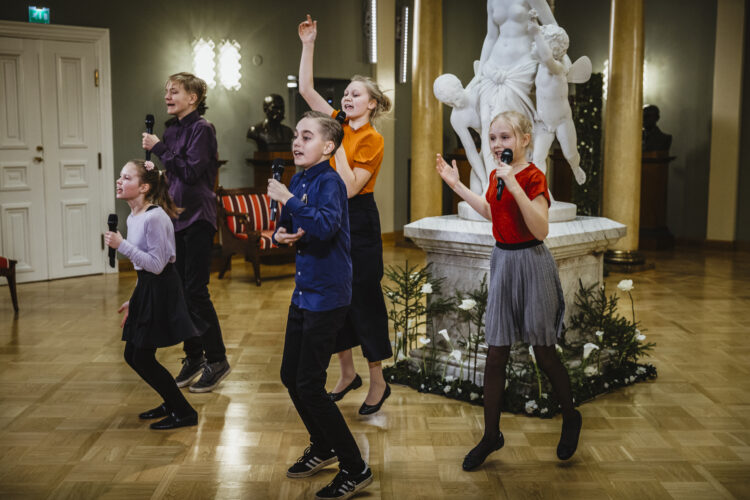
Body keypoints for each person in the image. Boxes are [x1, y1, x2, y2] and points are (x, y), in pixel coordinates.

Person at [435, 111, 582, 471]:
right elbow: (492, 211)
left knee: (544, 352)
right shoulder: (494, 175)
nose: (498, 144)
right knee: (496, 352)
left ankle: (571, 415)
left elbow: (541, 228)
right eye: (493, 138)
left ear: (525, 140)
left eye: (505, 137)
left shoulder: (533, 176)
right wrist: (457, 185)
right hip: (503, 261)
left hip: (532, 263)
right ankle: (491, 436)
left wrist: (514, 184)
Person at [269, 111, 373, 499]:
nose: (297, 141)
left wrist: (289, 200)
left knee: (309, 384)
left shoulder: (329, 181)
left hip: (328, 295)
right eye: (297, 135)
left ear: (328, 147)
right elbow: (294, 224)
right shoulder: (299, 178)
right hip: (304, 291)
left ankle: (355, 467)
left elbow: (327, 225)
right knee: (289, 376)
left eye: (307, 136)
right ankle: (324, 444)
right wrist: (284, 233)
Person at [298, 14, 393, 414]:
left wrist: (334, 148)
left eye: (356, 94)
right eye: (346, 94)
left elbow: (353, 186)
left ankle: (378, 382)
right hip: (333, 215)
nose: (347, 99)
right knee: (335, 296)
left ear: (371, 103)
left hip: (360, 218)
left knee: (365, 300)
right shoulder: (337, 125)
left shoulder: (372, 138)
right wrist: (309, 44)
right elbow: (305, 89)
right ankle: (347, 372)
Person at [142, 72, 231, 393]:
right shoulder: (171, 130)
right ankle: (194, 356)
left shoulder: (202, 129)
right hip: (173, 219)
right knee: (178, 292)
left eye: (174, 91)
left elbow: (194, 172)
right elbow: (178, 171)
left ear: (192, 98)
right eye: (166, 91)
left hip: (197, 218)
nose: (167, 96)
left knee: (195, 291)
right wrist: (159, 172)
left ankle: (217, 359)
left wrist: (161, 149)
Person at [105, 159, 201, 430]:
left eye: (126, 177)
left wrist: (121, 244)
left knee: (141, 356)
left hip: (162, 288)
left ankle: (184, 412)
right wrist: (134, 299)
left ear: (144, 187)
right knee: (133, 355)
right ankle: (171, 402)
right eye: (120, 176)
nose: (119, 181)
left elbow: (158, 265)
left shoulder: (155, 217)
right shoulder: (133, 216)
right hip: (148, 287)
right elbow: (143, 269)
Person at [528, 22, 588, 185]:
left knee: (570, 153)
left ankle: (575, 167)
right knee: (537, 158)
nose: (535, 45)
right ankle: (541, 190)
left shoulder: (557, 67)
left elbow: (547, 57)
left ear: (552, 49)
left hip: (562, 120)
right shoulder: (540, 66)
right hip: (544, 122)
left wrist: (536, 33)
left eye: (540, 43)